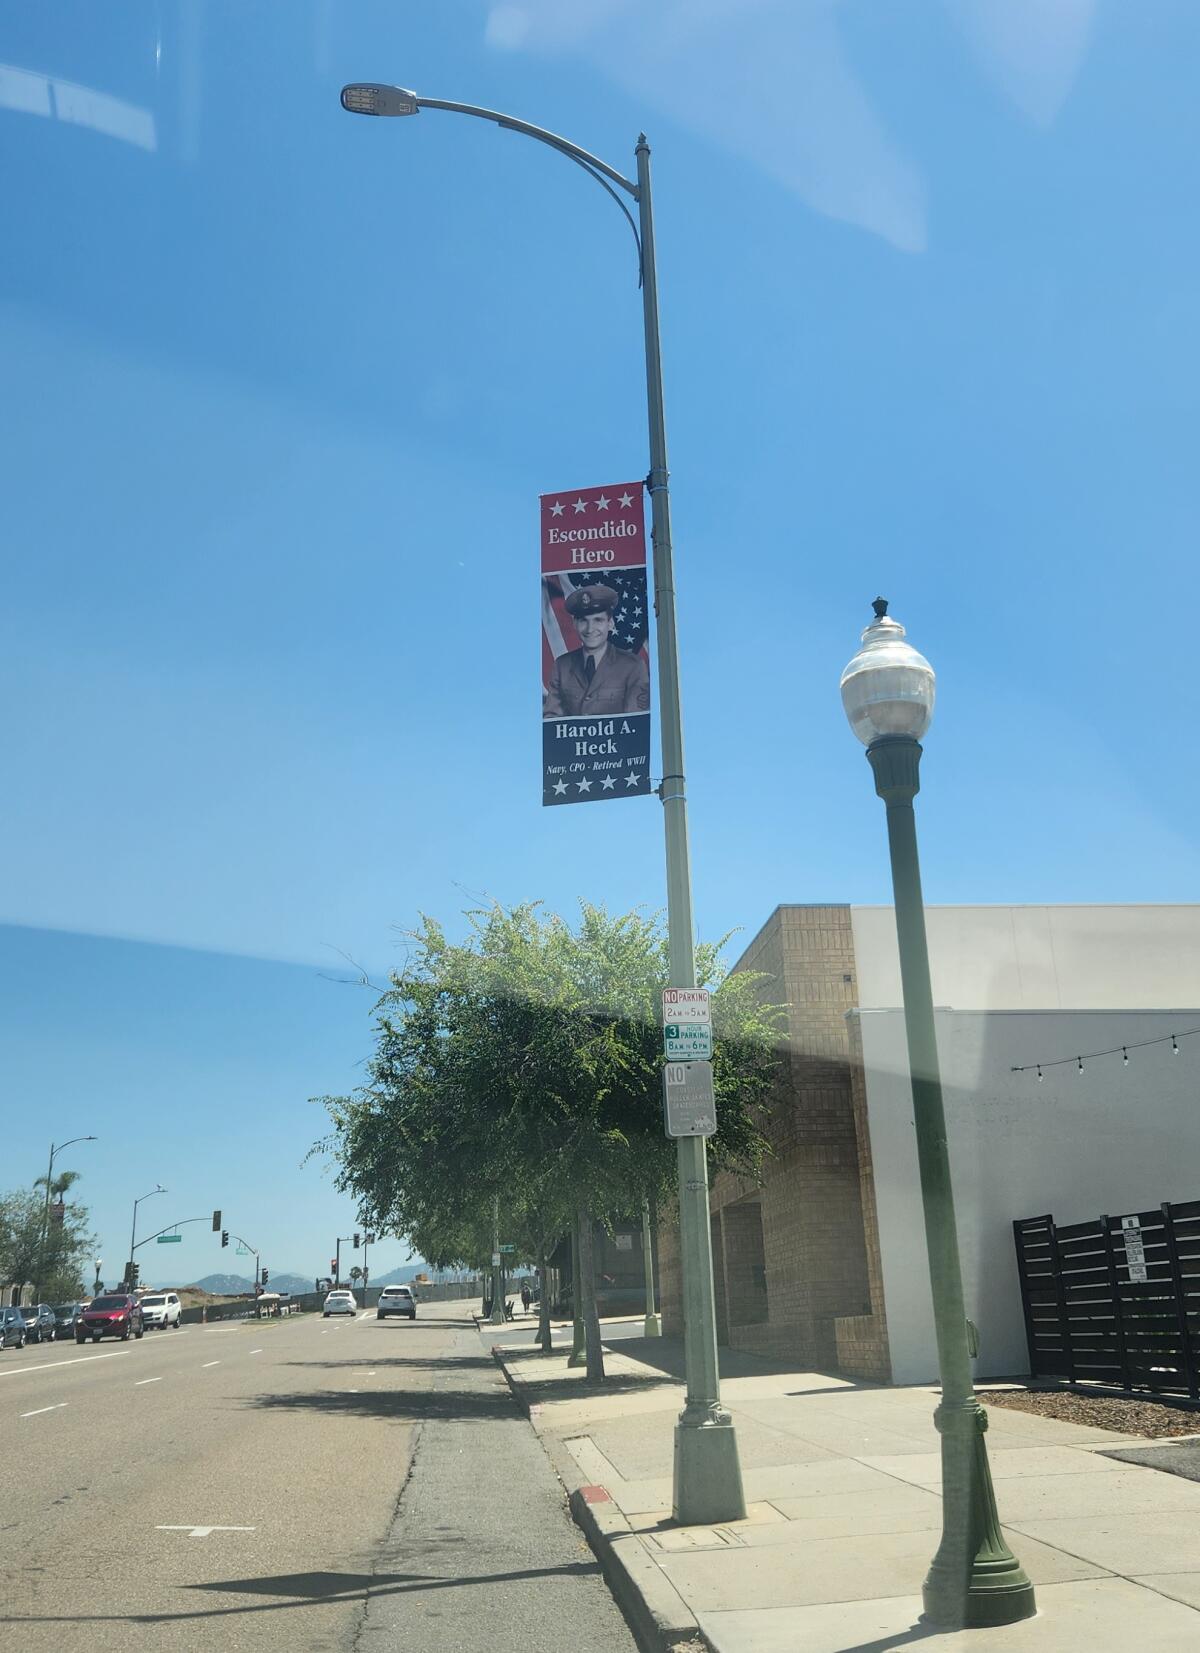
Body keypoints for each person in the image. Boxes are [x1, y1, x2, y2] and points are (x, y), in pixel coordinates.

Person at [543, 584, 650, 717]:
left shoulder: (633, 665)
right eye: (583, 621)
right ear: (575, 624)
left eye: (598, 620)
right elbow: (552, 719)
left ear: (610, 623)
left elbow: (635, 721)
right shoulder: (562, 666)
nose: (590, 629)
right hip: (576, 738)